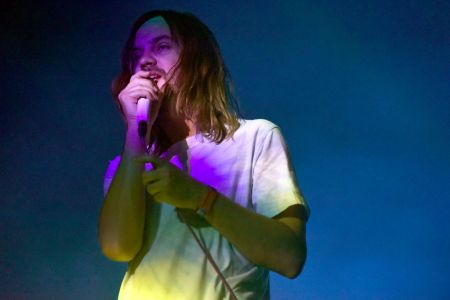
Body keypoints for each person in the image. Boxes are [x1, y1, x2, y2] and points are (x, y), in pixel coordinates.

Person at [98, 10, 310, 300]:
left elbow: (289, 257)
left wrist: (203, 198)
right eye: (137, 55)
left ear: (198, 62)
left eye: (162, 46)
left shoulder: (256, 138)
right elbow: (116, 246)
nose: (145, 60)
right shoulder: (129, 163)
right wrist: (136, 128)